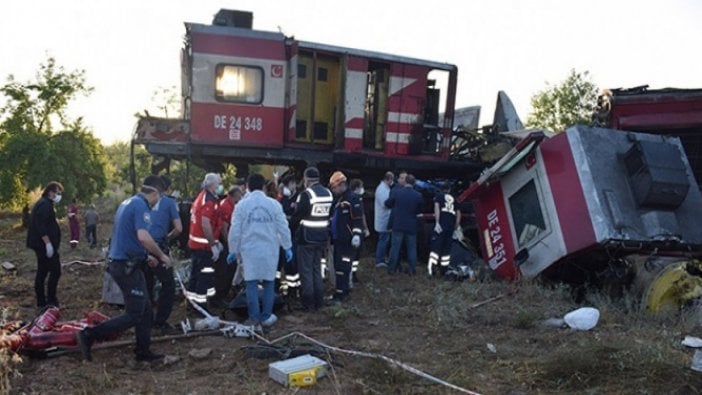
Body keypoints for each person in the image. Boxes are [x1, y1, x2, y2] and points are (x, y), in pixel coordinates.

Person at [76, 175, 171, 362]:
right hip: (124, 266)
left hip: (128, 263)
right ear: (155, 193)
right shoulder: (141, 206)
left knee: (144, 310)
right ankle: (90, 335)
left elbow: (129, 237)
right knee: (135, 313)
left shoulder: (128, 202)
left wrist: (146, 256)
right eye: (159, 198)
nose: (157, 203)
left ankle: (143, 352)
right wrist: (161, 256)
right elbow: (143, 237)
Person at [227, 173, 292, 330]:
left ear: (247, 186)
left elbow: (235, 230)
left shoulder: (241, 205)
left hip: (250, 250)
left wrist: (233, 250)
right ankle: (266, 316)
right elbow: (283, 226)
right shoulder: (274, 204)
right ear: (263, 186)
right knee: (269, 283)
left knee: (251, 284)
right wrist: (287, 246)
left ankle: (254, 318)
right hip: (270, 249)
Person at [290, 167, 333, 311]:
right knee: (316, 269)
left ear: (307, 179)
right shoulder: (328, 193)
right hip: (322, 237)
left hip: (306, 237)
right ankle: (319, 300)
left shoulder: (306, 194)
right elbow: (330, 214)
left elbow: (298, 216)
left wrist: (290, 227)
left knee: (306, 270)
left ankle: (308, 302)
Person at [144, 175, 182, 334]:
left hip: (142, 246)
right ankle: (160, 321)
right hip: (159, 247)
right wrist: (168, 238)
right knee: (168, 284)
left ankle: (145, 319)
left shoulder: (138, 201)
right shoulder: (169, 202)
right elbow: (179, 229)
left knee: (147, 284)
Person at [187, 173, 224, 311]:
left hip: (197, 245)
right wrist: (213, 244)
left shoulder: (202, 197)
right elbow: (205, 224)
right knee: (204, 275)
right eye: (219, 183)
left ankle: (192, 304)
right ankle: (201, 307)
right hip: (203, 247)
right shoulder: (208, 201)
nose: (220, 186)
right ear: (212, 184)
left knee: (196, 276)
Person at [26, 181, 64, 309]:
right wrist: (48, 243)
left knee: (43, 271)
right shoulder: (44, 205)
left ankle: (42, 301)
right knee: (55, 271)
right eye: (57, 193)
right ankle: (50, 300)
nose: (59, 196)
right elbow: (40, 225)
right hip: (43, 245)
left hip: (43, 244)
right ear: (50, 192)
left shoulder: (45, 204)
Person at [329, 171, 364, 302]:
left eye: (334, 187)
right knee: (338, 267)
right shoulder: (340, 199)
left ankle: (341, 294)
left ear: (341, 185)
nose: (333, 190)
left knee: (343, 268)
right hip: (338, 239)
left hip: (347, 240)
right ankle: (341, 292)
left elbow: (357, 219)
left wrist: (356, 234)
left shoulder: (352, 199)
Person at [385, 174, 423, 275]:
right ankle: (411, 269)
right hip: (411, 225)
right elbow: (419, 211)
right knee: (411, 248)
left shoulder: (397, 193)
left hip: (398, 224)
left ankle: (391, 269)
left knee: (395, 248)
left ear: (405, 182)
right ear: (414, 183)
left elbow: (388, 203)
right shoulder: (418, 195)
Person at [212, 186, 242, 305]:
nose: (241, 197)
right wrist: (229, 244)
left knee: (229, 269)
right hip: (225, 241)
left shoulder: (229, 204)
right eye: (240, 194)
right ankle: (219, 297)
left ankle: (223, 294)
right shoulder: (226, 206)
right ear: (235, 194)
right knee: (225, 270)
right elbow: (224, 227)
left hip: (227, 240)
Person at [428, 183, 460, 276]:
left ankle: (432, 269)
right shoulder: (455, 199)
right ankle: (443, 270)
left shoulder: (438, 196)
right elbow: (458, 213)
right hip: (450, 226)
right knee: (446, 250)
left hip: (441, 225)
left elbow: (437, 208)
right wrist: (456, 226)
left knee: (436, 248)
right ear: (449, 190)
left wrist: (437, 222)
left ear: (441, 189)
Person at [348, 178, 369, 284]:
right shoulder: (355, 199)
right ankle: (352, 275)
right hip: (355, 231)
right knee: (354, 254)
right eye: (361, 186)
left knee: (356, 255)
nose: (362, 189)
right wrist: (365, 228)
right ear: (357, 188)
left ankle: (353, 274)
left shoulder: (353, 198)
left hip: (355, 230)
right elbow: (361, 215)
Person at [374, 172, 394, 268]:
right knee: (383, 240)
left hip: (384, 219)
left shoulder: (384, 188)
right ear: (388, 179)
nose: (392, 181)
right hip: (383, 219)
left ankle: (381, 258)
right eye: (392, 179)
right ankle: (379, 260)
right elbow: (385, 204)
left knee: (384, 239)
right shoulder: (382, 189)